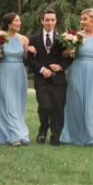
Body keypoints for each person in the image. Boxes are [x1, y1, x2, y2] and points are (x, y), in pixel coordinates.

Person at [61, 9, 93, 148]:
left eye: (85, 19)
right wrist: (69, 50)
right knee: (78, 103)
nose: (82, 22)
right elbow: (65, 55)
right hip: (78, 70)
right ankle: (78, 135)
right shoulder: (76, 36)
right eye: (81, 19)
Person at [27, 8, 67, 145]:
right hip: (42, 80)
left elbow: (69, 57)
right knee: (45, 106)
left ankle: (55, 136)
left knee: (58, 107)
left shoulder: (63, 38)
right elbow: (30, 59)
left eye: (52, 20)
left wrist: (61, 66)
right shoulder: (33, 39)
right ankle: (43, 129)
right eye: (47, 20)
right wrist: (42, 69)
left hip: (58, 80)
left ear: (56, 22)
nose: (49, 22)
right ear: (42, 21)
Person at [0, 13, 30, 146]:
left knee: (18, 104)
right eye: (16, 21)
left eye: (19, 21)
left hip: (19, 73)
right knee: (9, 103)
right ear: (9, 24)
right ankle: (16, 136)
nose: (19, 23)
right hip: (4, 71)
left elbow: (28, 58)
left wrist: (32, 50)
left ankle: (12, 133)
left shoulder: (24, 39)